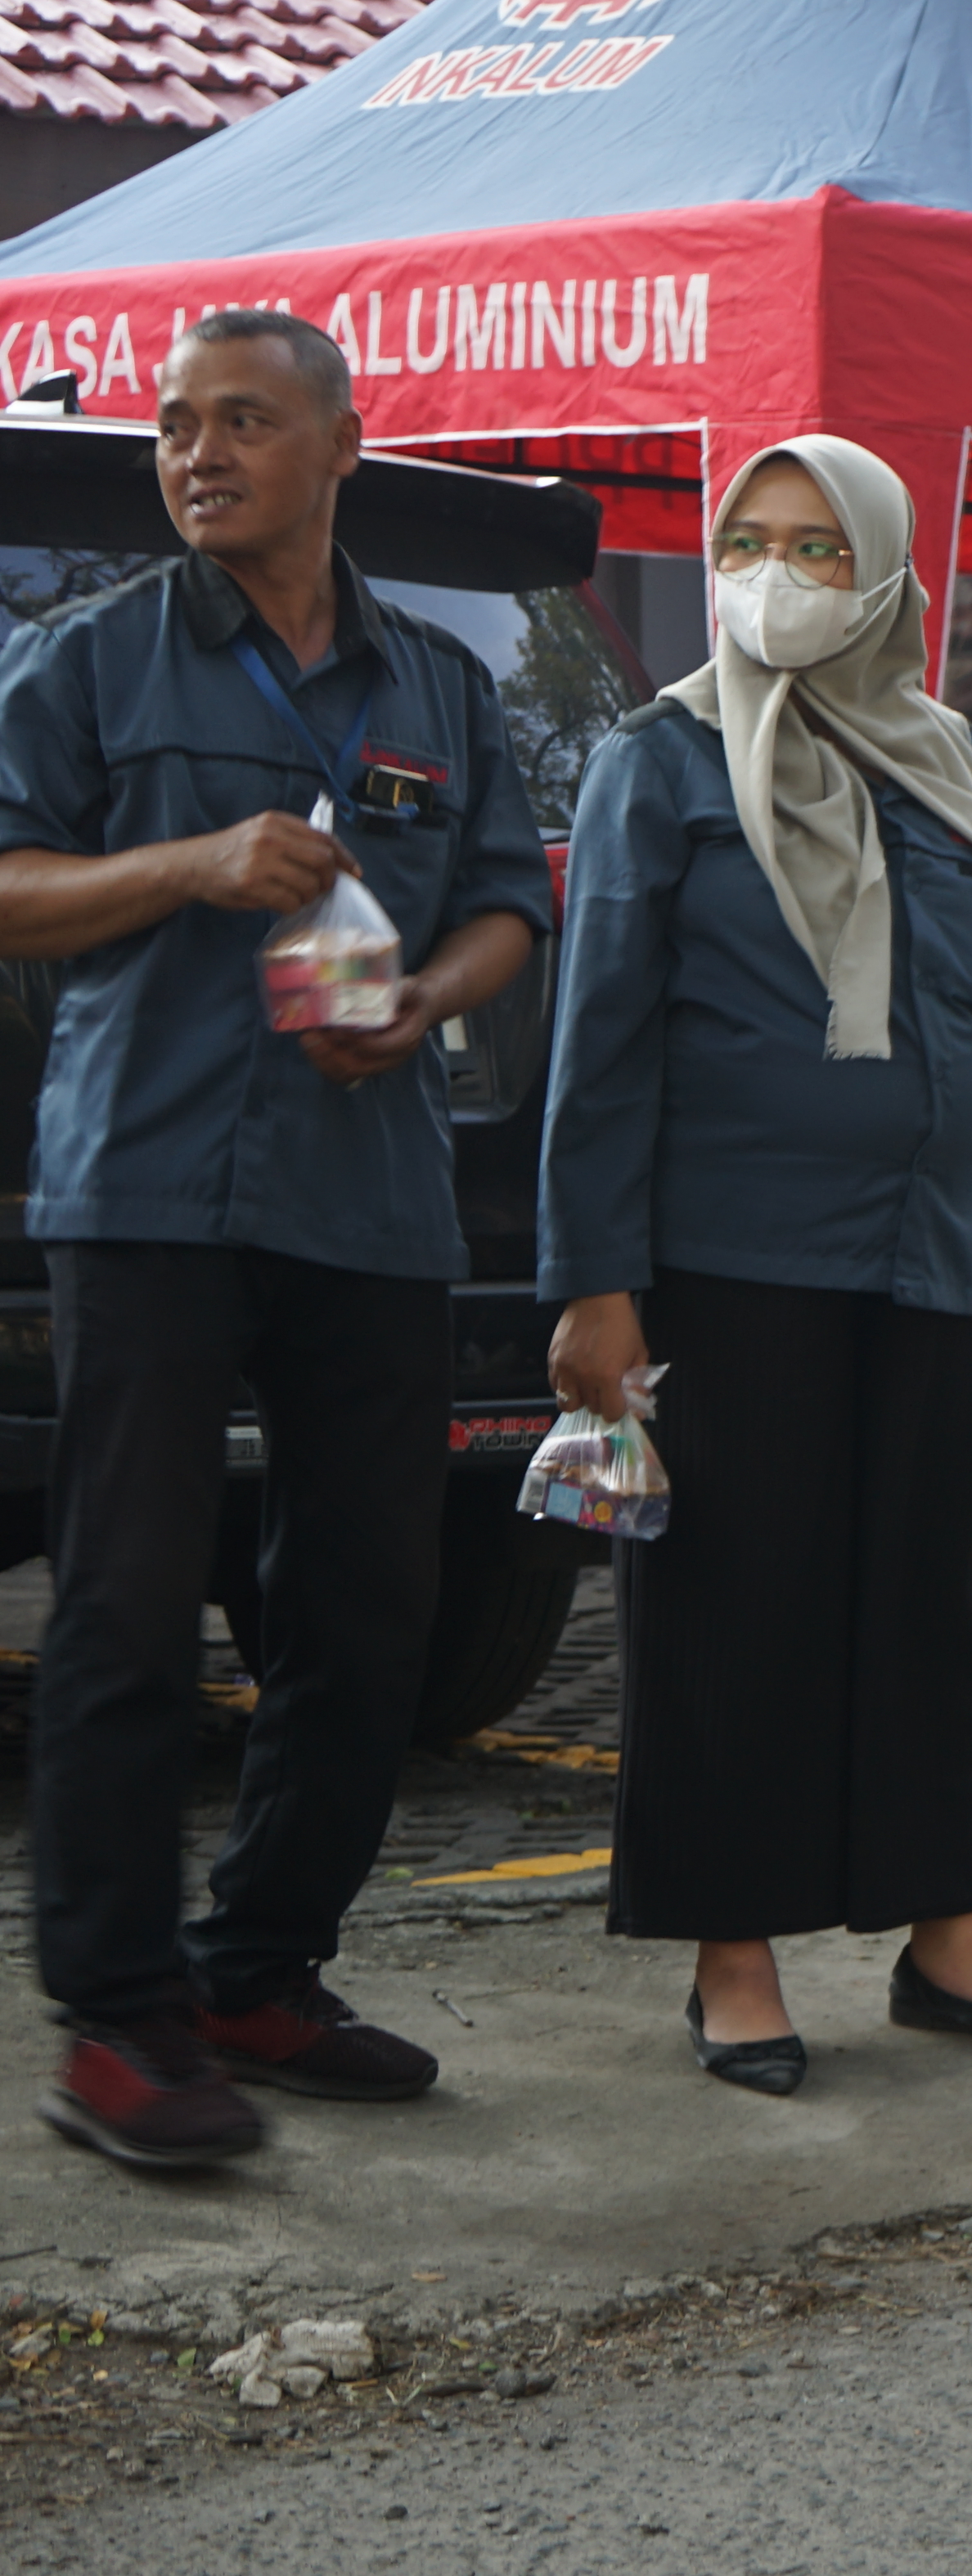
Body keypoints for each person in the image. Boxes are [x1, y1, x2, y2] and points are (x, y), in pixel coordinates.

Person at [0, 310, 549, 2168]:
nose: (195, 452)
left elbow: (501, 910)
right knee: (130, 1612)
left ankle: (257, 1968)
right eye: (173, 428)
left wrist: (430, 1004)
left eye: (242, 420)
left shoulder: (441, 688)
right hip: (146, 1191)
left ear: (339, 444)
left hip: (371, 1199)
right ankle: (118, 2027)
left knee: (372, 1612)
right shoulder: (91, 662)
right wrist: (195, 865)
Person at [538, 437, 972, 2093]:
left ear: (883, 577)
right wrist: (592, 1280)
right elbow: (603, 1040)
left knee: (917, 1609)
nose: (776, 574)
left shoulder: (955, 767)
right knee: (739, 1608)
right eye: (749, 542)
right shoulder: (662, 760)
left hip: (924, 1259)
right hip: (728, 1262)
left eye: (814, 547)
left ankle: (949, 1936)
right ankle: (737, 1955)